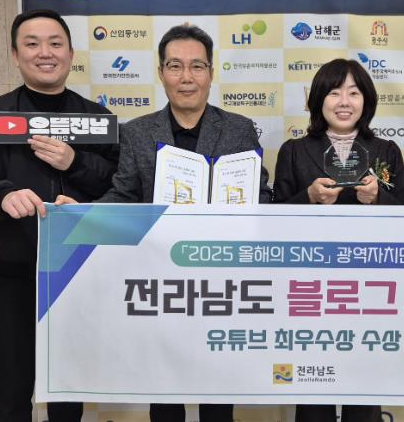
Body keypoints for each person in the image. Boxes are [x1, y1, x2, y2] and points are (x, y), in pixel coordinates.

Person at [65, 24, 271, 422]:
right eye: (175, 66)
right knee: (164, 391)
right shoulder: (137, 132)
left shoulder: (239, 129)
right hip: (161, 280)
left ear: (211, 72)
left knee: (217, 392)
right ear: (161, 73)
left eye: (197, 66)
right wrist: (79, 214)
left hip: (220, 280)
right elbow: (123, 195)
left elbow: (261, 197)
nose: (186, 77)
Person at [0, 9, 119, 422]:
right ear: (15, 54)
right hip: (11, 276)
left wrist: (75, 163)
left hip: (77, 274)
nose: (45, 53)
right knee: (12, 391)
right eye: (32, 44)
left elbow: (121, 185)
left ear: (70, 53)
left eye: (55, 43)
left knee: (67, 392)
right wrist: (0, 196)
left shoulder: (97, 119)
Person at [273, 58, 404, 422]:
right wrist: (308, 197)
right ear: (319, 99)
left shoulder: (386, 151)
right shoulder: (294, 150)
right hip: (310, 287)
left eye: (354, 92)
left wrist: (378, 199)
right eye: (334, 92)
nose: (344, 101)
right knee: (313, 390)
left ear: (367, 100)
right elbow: (272, 222)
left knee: (363, 392)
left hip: (369, 287)